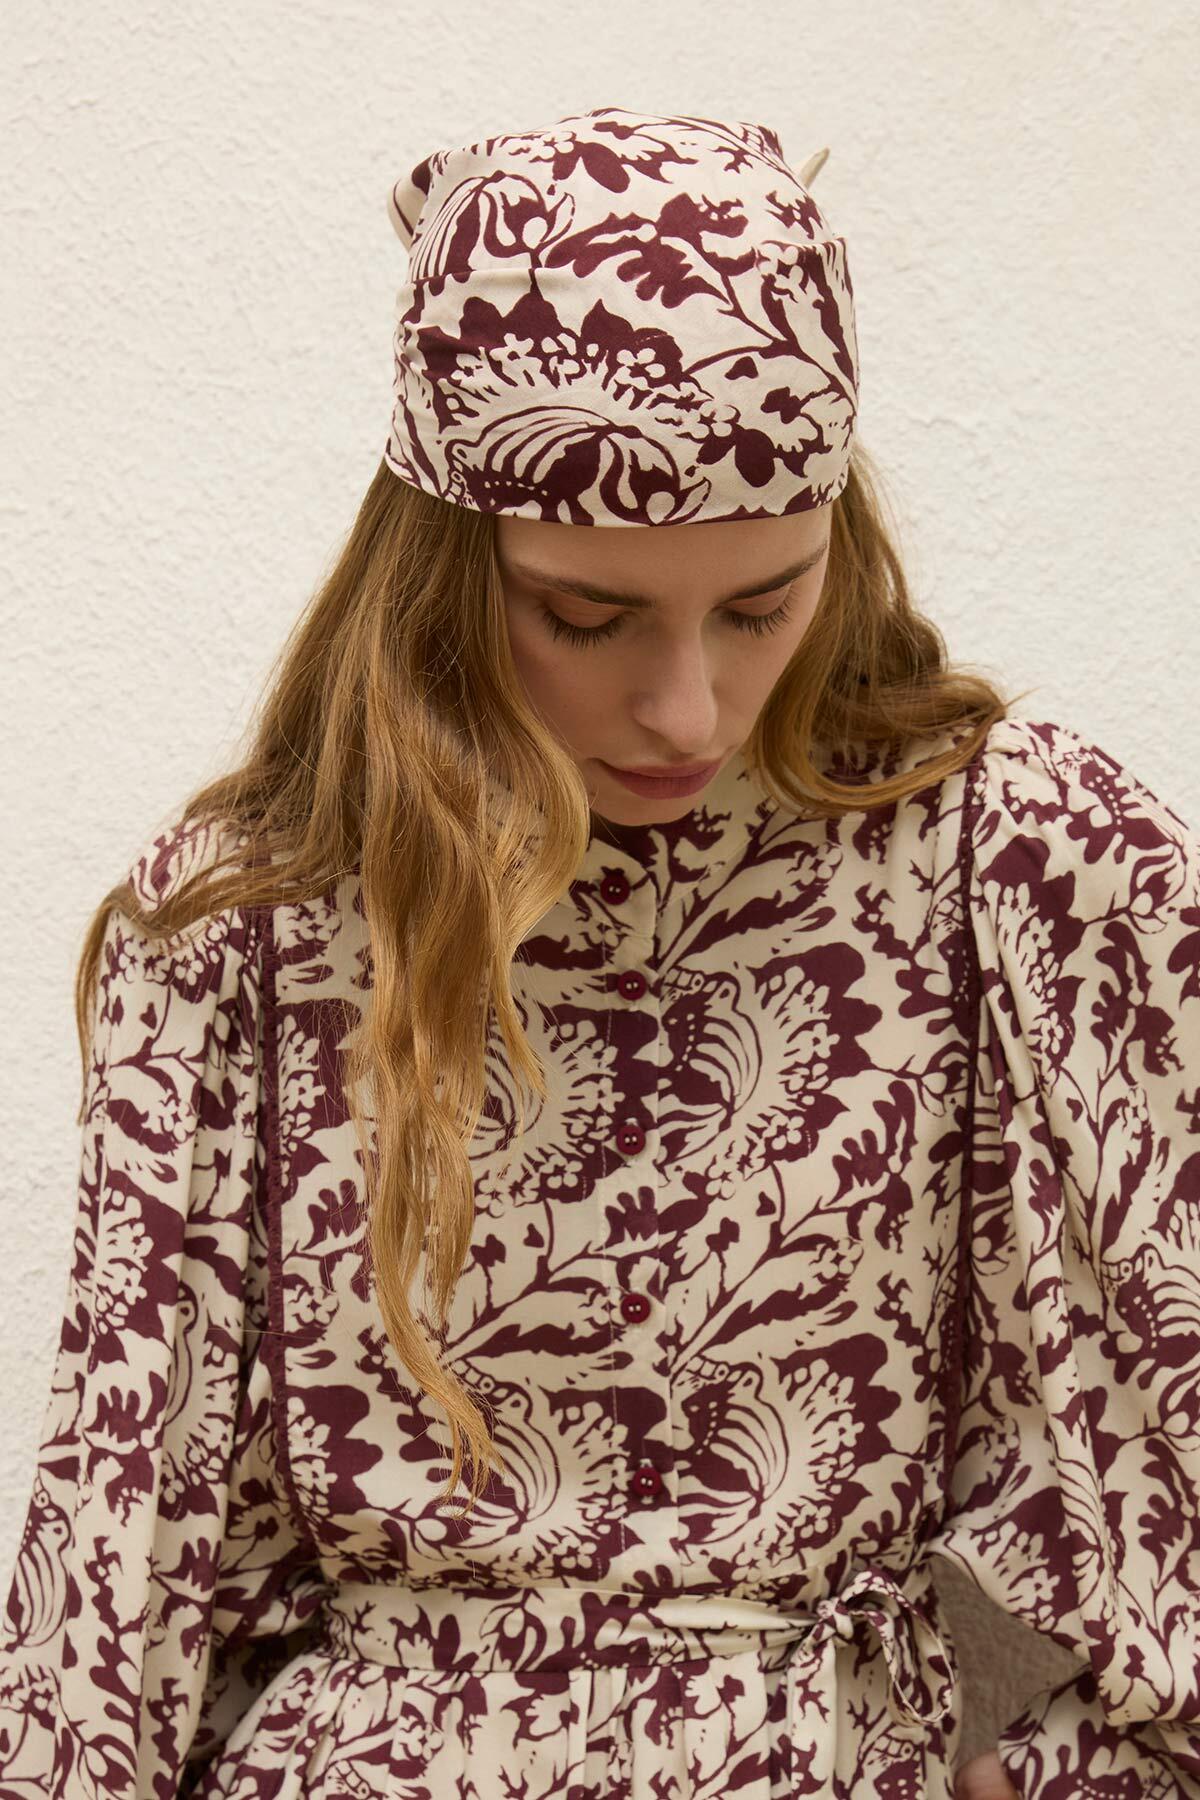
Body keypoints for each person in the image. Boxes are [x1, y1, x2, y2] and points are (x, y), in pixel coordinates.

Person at [1, 104, 1197, 1800]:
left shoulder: (1017, 863)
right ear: (439, 569)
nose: (688, 709)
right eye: (587, 614)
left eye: (763, 603)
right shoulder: (241, 928)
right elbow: (116, 1567)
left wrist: (1071, 1768)